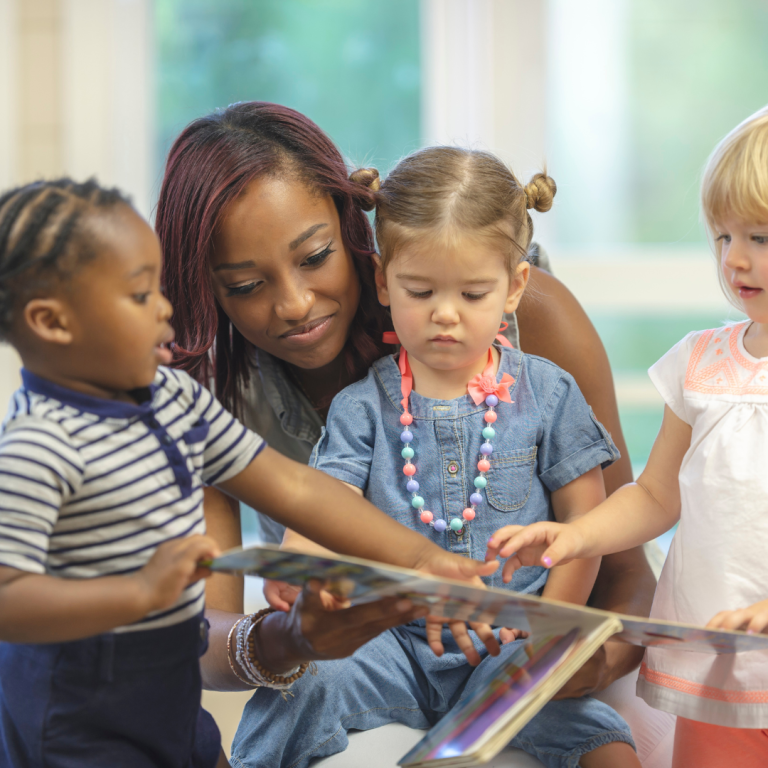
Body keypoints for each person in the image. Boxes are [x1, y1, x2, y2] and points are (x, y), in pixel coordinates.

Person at [155, 102, 656, 710]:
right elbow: (207, 636)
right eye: (244, 286)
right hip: (375, 677)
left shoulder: (532, 322)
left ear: (353, 231)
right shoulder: (208, 392)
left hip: (530, 667)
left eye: (315, 258)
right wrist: (284, 638)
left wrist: (583, 665)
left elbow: (626, 577)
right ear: (203, 286)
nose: (293, 303)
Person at [0, 178, 503, 768]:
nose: (164, 307)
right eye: (139, 296)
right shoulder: (37, 447)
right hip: (72, 720)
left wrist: (421, 561)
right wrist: (137, 594)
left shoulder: (173, 398)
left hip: (169, 702)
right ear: (53, 323)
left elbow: (292, 486)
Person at [247, 147, 641, 767]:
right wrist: (293, 564)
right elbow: (327, 504)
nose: (445, 314)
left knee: (601, 739)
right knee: (304, 685)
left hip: (515, 636)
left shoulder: (549, 393)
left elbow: (583, 531)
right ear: (382, 281)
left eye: (473, 292)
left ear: (514, 287)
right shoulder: (362, 406)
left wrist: (555, 627)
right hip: (393, 641)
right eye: (420, 290)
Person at [492, 105, 768, 768]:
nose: (735, 260)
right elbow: (653, 497)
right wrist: (575, 535)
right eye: (722, 237)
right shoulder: (700, 363)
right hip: (716, 668)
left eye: (760, 237)